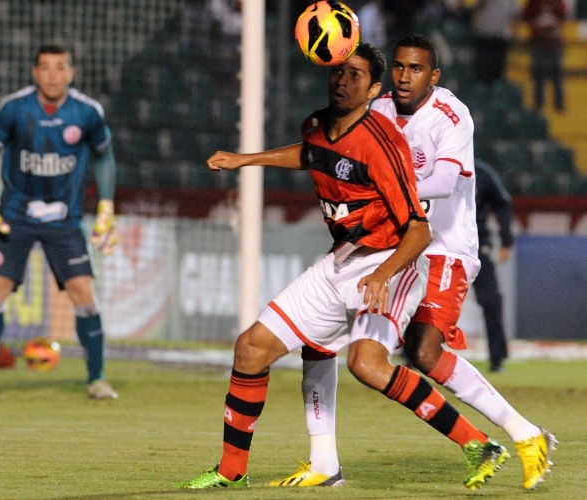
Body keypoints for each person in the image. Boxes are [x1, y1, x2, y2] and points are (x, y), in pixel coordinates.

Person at [178, 42, 508, 491]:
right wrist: (245, 160)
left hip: (393, 264)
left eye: (356, 75)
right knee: (251, 349)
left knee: (367, 365)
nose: (342, 80)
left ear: (374, 90)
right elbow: (310, 152)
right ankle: (233, 469)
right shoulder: (316, 125)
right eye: (339, 71)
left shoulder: (383, 144)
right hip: (345, 260)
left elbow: (420, 231)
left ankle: (478, 443)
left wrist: (383, 273)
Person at [271, 35, 555, 492]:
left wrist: (382, 179)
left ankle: (523, 434)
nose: (405, 77)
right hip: (387, 247)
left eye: (416, 69)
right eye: (399, 67)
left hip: (443, 248)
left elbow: (443, 180)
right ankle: (323, 459)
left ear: (433, 76)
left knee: (422, 351)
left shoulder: (451, 114)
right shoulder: (378, 110)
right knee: (326, 343)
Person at [0, 44, 119, 400]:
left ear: (71, 73)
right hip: (14, 217)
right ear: (35, 73)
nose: (53, 75)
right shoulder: (14, 109)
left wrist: (106, 206)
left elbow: (106, 158)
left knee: (85, 294)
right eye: (45, 68)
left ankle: (97, 379)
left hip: (64, 218)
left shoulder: (87, 112)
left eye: (60, 68)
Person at [473, 158, 514, 372]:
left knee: (491, 300)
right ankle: (411, 353)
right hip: (440, 245)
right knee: (422, 298)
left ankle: (497, 357)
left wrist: (506, 240)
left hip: (477, 245)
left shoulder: (481, 172)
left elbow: (502, 203)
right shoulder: (434, 167)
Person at [522, 0, 568, 112]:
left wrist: (551, 24)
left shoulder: (557, 2)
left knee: (557, 73)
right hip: (539, 42)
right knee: (539, 73)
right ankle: (538, 105)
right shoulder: (534, 3)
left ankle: (559, 105)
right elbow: (526, 16)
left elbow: (563, 17)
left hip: (554, 42)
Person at [470, 0, 521, 83]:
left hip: (500, 38)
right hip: (484, 36)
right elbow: (475, 10)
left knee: (497, 71)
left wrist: (515, 35)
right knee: (481, 70)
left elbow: (517, 16)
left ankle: (495, 92)